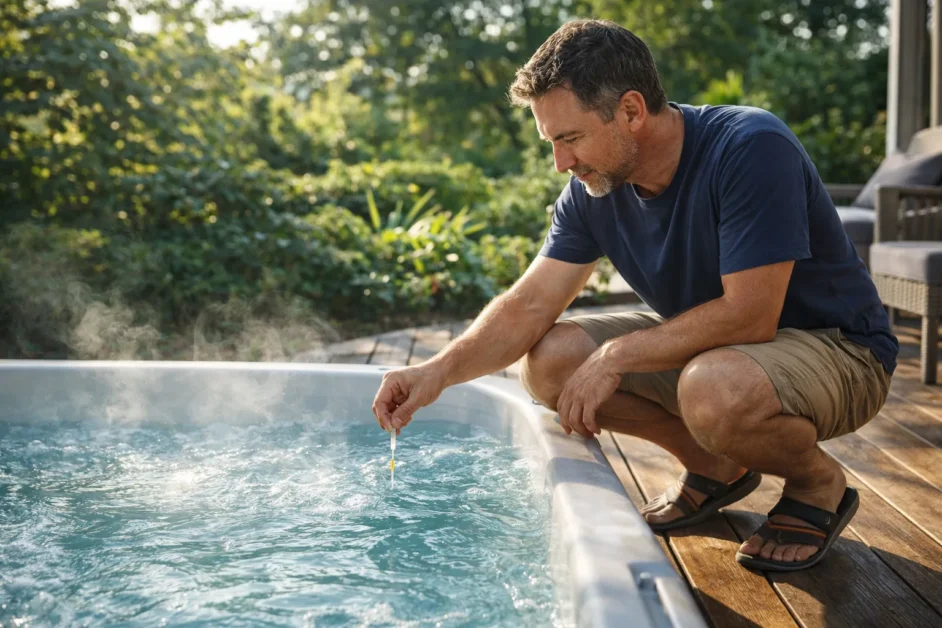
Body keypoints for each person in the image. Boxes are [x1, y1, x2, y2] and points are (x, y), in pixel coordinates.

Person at [371, 19, 897, 573]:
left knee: (712, 387)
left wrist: (617, 355)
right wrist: (435, 373)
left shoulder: (750, 147)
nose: (562, 163)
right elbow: (529, 305)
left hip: (840, 350)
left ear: (630, 110)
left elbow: (750, 315)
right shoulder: (593, 190)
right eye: (551, 144)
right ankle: (713, 467)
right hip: (721, 355)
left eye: (570, 139)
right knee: (551, 363)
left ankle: (818, 485)